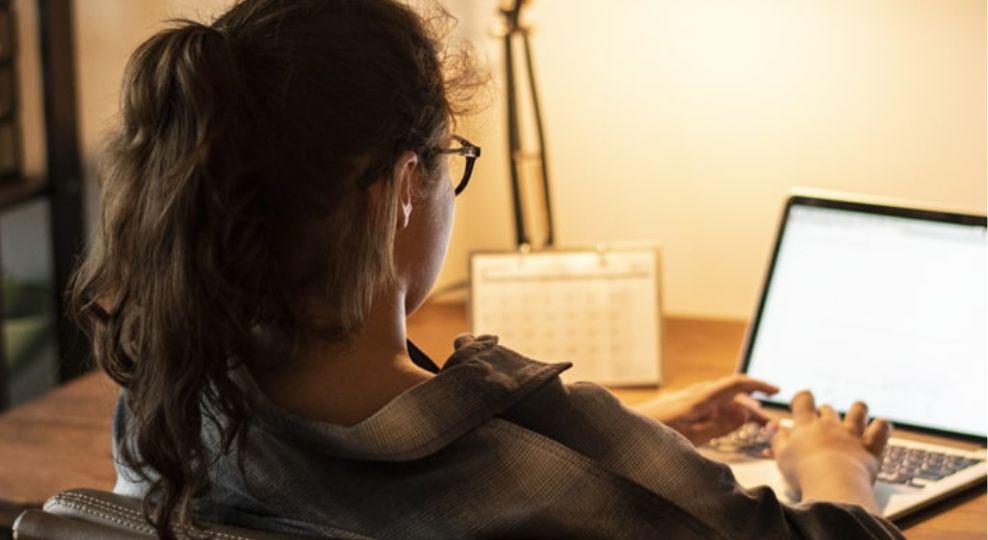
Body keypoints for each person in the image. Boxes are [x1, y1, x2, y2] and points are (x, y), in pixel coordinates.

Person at [69, 0, 902, 538]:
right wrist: (835, 464)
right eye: (448, 158)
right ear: (400, 188)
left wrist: (636, 427)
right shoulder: (561, 466)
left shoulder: (166, 412)